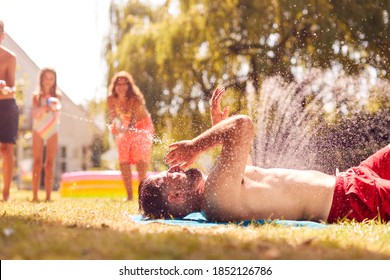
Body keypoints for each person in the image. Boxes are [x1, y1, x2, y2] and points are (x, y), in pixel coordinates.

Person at [139, 87, 390, 223]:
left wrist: (218, 128)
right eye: (165, 176)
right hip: (352, 200)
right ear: (174, 196)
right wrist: (196, 145)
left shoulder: (217, 192)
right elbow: (243, 125)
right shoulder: (215, 197)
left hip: (353, 178)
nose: (173, 169)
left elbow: (245, 165)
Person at [107, 71, 154, 200]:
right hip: (126, 124)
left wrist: (121, 129)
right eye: (118, 84)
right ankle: (129, 196)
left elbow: (133, 125)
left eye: (124, 84)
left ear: (129, 86)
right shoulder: (111, 98)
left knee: (141, 161)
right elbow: (112, 118)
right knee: (123, 160)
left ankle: (142, 196)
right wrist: (114, 126)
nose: (121, 87)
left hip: (143, 125)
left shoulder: (135, 99)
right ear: (114, 86)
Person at [31, 68, 62, 202]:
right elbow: (34, 114)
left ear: (54, 80)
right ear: (41, 80)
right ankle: (35, 195)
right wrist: (44, 107)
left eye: (51, 78)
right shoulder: (36, 96)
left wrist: (52, 105)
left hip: (52, 129)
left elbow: (57, 113)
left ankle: (48, 196)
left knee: (49, 164)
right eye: (46, 78)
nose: (48, 81)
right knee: (37, 162)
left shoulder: (58, 96)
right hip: (38, 129)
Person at [0, 20, 18, 201]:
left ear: (2, 36)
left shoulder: (10, 57)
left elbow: (12, 87)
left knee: (6, 149)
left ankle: (6, 193)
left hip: (7, 106)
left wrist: (6, 89)